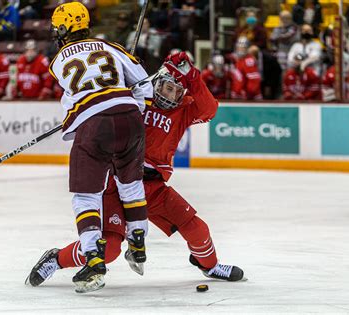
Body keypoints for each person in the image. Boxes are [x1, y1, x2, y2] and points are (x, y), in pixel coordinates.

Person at [25, 52, 245, 288]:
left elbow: (209, 110)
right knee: (108, 250)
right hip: (118, 182)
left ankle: (209, 265)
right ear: (157, 82)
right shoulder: (135, 97)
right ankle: (56, 260)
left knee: (198, 229)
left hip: (152, 187)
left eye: (177, 91)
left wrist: (193, 76)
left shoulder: (185, 109)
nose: (171, 95)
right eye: (167, 87)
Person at [40, 1, 153, 293]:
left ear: (64, 29)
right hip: (130, 118)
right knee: (131, 185)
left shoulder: (57, 61)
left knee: (86, 195)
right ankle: (138, 242)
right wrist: (133, 107)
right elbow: (143, 82)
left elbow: (74, 101)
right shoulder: (112, 47)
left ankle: (93, 259)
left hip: (95, 126)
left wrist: (75, 119)